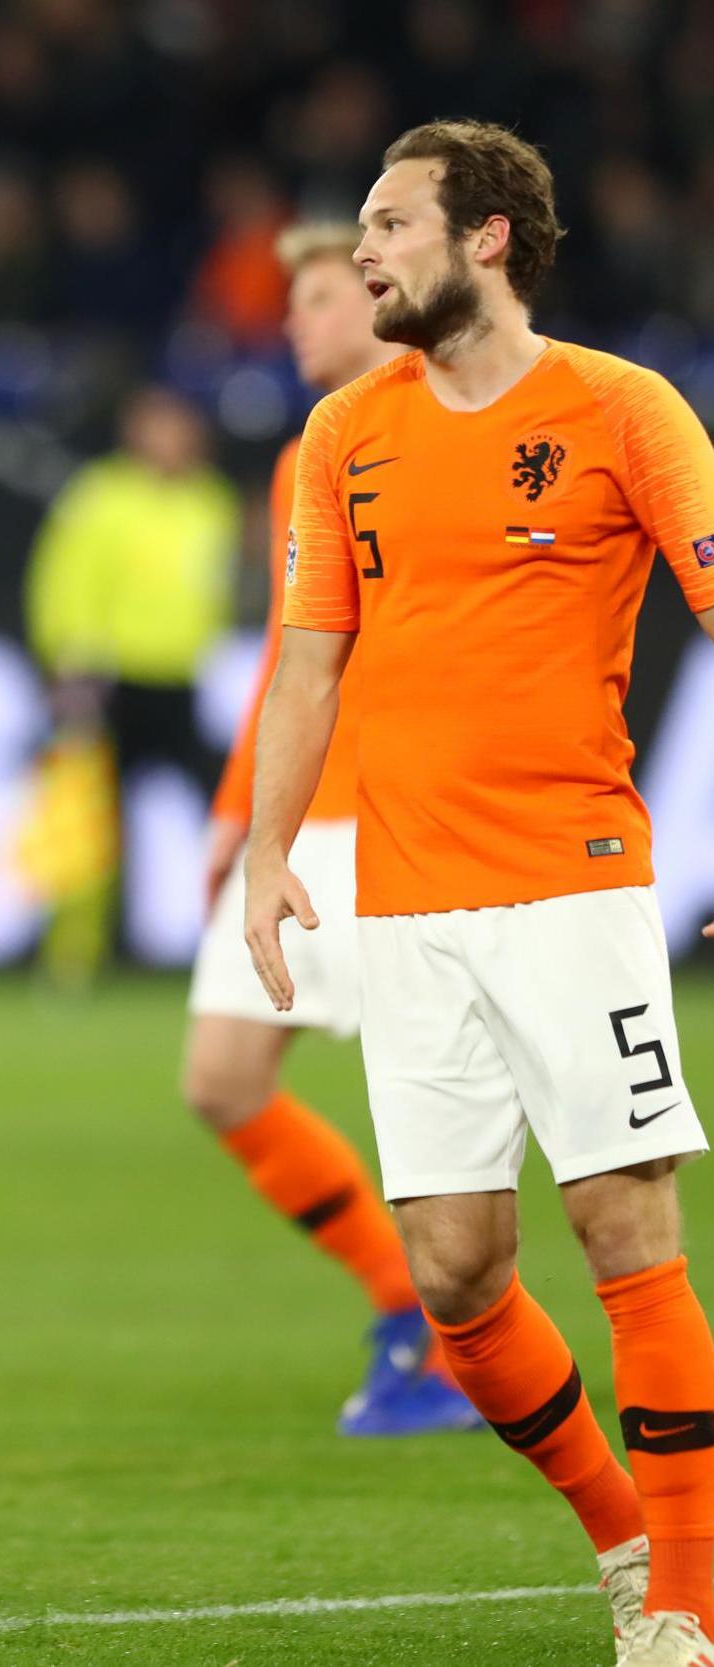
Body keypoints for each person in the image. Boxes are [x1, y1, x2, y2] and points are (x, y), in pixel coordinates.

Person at [248, 120, 714, 1666]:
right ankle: (622, 1535)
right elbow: (309, 654)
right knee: (452, 1270)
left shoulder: (617, 409)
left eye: (387, 225)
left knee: (621, 1220)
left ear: (486, 238)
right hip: (407, 900)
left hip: (572, 883)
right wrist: (264, 853)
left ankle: (689, 1608)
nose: (362, 252)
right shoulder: (344, 435)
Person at [185, 223, 477, 1438]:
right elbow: (290, 658)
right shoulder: (310, 449)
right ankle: (412, 1306)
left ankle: (461, 1336)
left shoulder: (444, 425)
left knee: (445, 1103)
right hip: (307, 819)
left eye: (319, 297)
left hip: (404, 814)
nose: (296, 319)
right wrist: (238, 810)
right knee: (221, 1079)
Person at [25, 384, 238, 982]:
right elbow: (63, 579)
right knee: (92, 825)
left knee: (220, 812)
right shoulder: (100, 496)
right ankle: (77, 958)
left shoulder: (210, 500)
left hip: (181, 679)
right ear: (134, 431)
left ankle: (234, 941)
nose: (170, 441)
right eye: (158, 426)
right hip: (108, 680)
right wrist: (67, 655)